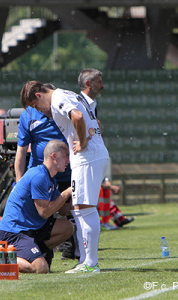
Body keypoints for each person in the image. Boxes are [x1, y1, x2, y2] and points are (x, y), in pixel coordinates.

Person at [20, 71, 109, 273]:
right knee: (78, 209)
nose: (41, 111)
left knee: (84, 209)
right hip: (92, 156)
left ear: (39, 95)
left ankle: (91, 263)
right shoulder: (68, 94)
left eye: (36, 106)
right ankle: (86, 260)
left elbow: (77, 116)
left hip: (88, 158)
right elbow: (95, 122)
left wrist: (83, 141)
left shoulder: (58, 97)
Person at [0, 140, 73, 273]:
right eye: (66, 155)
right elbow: (45, 212)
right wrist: (67, 192)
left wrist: (83, 202)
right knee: (41, 268)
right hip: (15, 232)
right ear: (54, 156)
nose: (69, 160)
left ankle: (35, 251)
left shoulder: (50, 178)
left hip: (32, 228)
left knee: (68, 227)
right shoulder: (39, 176)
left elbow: (62, 210)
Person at [77, 69, 134, 230]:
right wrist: (82, 142)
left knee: (91, 202)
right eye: (99, 82)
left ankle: (85, 247)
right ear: (88, 84)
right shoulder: (78, 104)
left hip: (94, 156)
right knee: (84, 205)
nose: (103, 85)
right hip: (83, 158)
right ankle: (79, 247)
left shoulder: (92, 105)